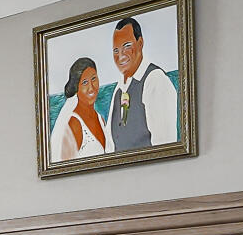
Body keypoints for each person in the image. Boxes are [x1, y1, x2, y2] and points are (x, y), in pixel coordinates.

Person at [102, 15, 179, 151]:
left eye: (127, 46)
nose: (121, 55)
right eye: (116, 50)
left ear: (140, 43)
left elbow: (165, 148)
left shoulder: (155, 80)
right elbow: (110, 145)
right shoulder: (118, 91)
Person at [50, 58, 110, 163]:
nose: (91, 87)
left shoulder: (100, 119)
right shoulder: (74, 124)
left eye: (94, 79)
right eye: (85, 82)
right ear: (76, 87)